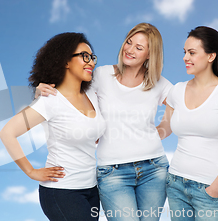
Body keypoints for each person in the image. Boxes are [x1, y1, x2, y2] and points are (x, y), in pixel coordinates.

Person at [37, 23, 172, 221]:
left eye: (139, 47)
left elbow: (186, 102)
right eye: (129, 42)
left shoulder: (159, 82)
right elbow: (69, 92)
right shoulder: (101, 75)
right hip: (112, 172)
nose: (130, 49)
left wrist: (162, 130)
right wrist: (40, 89)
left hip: (154, 169)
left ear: (150, 55)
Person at [0, 32, 106, 221]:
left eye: (92, 57)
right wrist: (31, 171)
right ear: (65, 61)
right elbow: (7, 133)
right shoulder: (50, 100)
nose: (91, 62)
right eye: (85, 56)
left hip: (91, 190)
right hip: (61, 191)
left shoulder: (93, 96)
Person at [158, 26, 218, 221]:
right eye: (184, 52)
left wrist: (215, 188)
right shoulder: (177, 90)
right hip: (175, 184)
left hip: (209, 189)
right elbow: (164, 129)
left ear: (211, 56)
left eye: (192, 52)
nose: (185, 57)